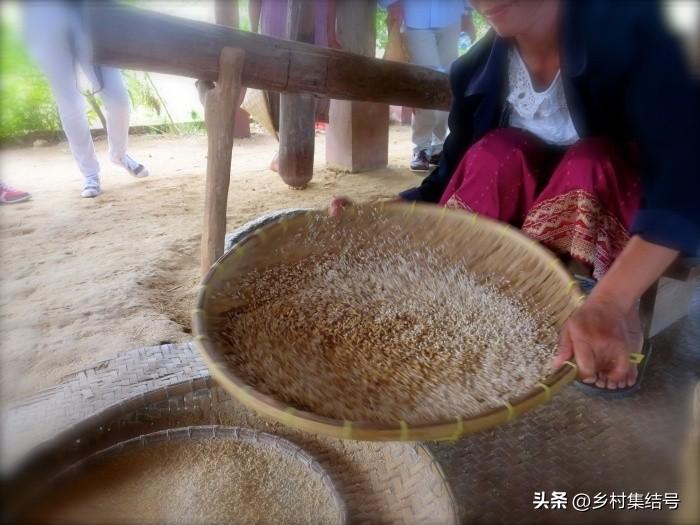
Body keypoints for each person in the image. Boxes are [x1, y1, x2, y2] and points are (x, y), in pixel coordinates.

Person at [331, 0, 700, 393]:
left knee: (592, 161)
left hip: (617, 222)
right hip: (525, 230)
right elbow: (446, 178)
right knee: (497, 153)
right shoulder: (475, 70)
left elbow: (684, 179)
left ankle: (601, 311)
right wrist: (387, 212)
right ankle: (483, 295)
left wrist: (610, 302)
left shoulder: (642, 33)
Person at [23, 2, 148, 198]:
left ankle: (119, 155)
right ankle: (90, 173)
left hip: (89, 13)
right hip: (43, 15)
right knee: (69, 105)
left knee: (118, 100)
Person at [380, 0, 475, 171]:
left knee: (447, 82)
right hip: (415, 17)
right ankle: (421, 147)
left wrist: (468, 11)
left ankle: (439, 146)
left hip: (452, 14)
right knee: (428, 83)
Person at [249, 0, 341, 172]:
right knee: (280, 86)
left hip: (315, 24)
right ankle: (285, 153)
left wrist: (331, 34)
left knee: (311, 86)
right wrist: (253, 31)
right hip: (278, 25)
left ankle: (294, 155)